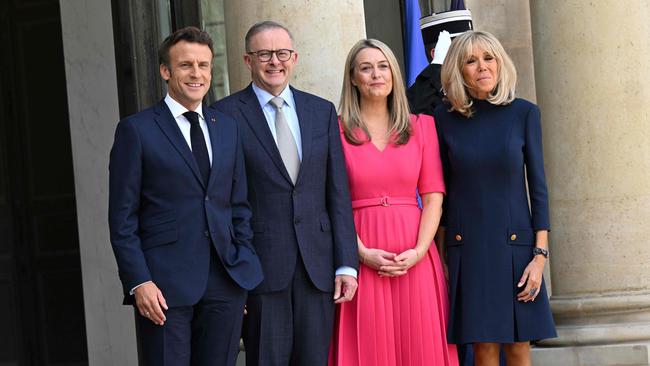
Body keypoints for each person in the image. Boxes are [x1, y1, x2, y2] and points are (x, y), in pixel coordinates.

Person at [108, 26, 262, 366]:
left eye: (204, 65)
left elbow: (238, 207)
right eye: (186, 65)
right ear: (166, 71)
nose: (197, 74)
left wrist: (243, 270)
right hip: (163, 288)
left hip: (225, 282)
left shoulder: (227, 128)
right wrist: (139, 281)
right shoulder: (137, 130)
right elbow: (122, 218)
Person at [211, 21, 359, 366]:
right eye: (264, 53)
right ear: (248, 60)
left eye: (282, 53)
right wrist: (235, 272)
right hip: (260, 270)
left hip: (317, 269)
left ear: (294, 58)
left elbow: (337, 193)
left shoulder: (320, 111)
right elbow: (223, 202)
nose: (274, 61)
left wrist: (346, 264)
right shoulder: (224, 116)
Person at [329, 39, 458, 366]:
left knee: (420, 348)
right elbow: (331, 199)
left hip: (414, 256)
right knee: (368, 348)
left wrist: (417, 252)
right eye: (366, 68)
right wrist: (360, 252)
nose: (376, 74)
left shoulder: (422, 127)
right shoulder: (335, 130)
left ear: (394, 75)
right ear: (353, 78)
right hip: (361, 253)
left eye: (383, 66)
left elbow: (433, 199)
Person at [434, 30, 556, 366]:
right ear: (458, 70)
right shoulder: (442, 120)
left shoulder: (524, 114)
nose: (482, 67)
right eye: (471, 61)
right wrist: (442, 258)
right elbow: (441, 195)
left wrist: (539, 256)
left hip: (517, 247)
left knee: (518, 346)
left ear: (500, 63)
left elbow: (539, 189)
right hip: (467, 248)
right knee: (483, 348)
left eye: (489, 58)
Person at [407, 9, 473, 116]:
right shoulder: (430, 93)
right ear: (436, 53)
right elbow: (408, 111)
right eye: (461, 50)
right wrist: (438, 65)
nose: (469, 56)